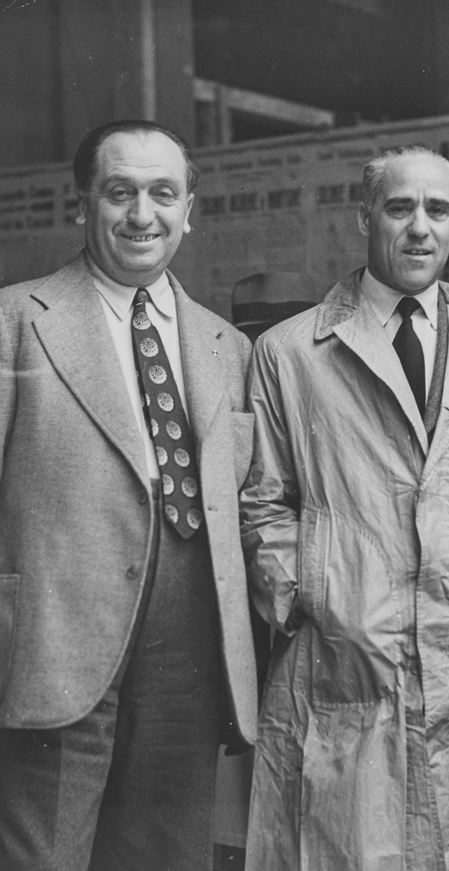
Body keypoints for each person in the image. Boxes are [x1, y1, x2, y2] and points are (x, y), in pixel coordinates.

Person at [241, 145, 449, 870]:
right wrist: (313, 596)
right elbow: (263, 501)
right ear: (365, 218)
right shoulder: (290, 353)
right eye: (399, 208)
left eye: (436, 209)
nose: (419, 227)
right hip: (350, 662)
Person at [0, 120, 258, 871]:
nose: (143, 214)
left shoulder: (229, 347)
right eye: (120, 193)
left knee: (167, 856)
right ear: (84, 202)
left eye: (163, 194)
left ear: (189, 210)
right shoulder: (16, 321)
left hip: (191, 644)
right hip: (51, 643)